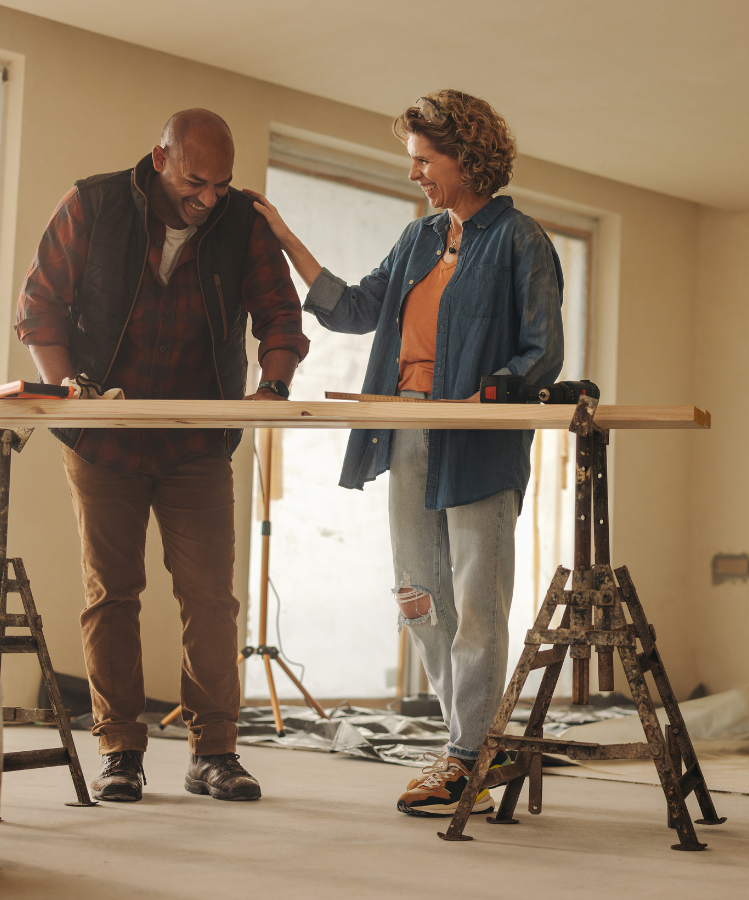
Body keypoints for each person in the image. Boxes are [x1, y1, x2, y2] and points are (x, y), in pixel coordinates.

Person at [246, 89, 564, 817]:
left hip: (479, 441)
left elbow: (541, 351)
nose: (415, 174)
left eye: (425, 160)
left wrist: (492, 397)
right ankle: (471, 744)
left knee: (478, 605)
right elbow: (358, 308)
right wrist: (288, 240)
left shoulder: (522, 241)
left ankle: (465, 757)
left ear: (466, 157)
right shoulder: (419, 239)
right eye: (412, 161)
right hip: (406, 430)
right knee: (419, 596)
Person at [17, 109, 310, 803]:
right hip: (102, 438)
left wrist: (273, 386)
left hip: (196, 441)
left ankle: (216, 753)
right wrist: (67, 388)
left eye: (222, 185)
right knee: (111, 594)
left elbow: (280, 316)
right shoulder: (92, 203)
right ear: (159, 159)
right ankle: (120, 750)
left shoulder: (240, 222)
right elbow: (40, 306)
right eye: (195, 182)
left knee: (210, 598)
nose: (209, 199)